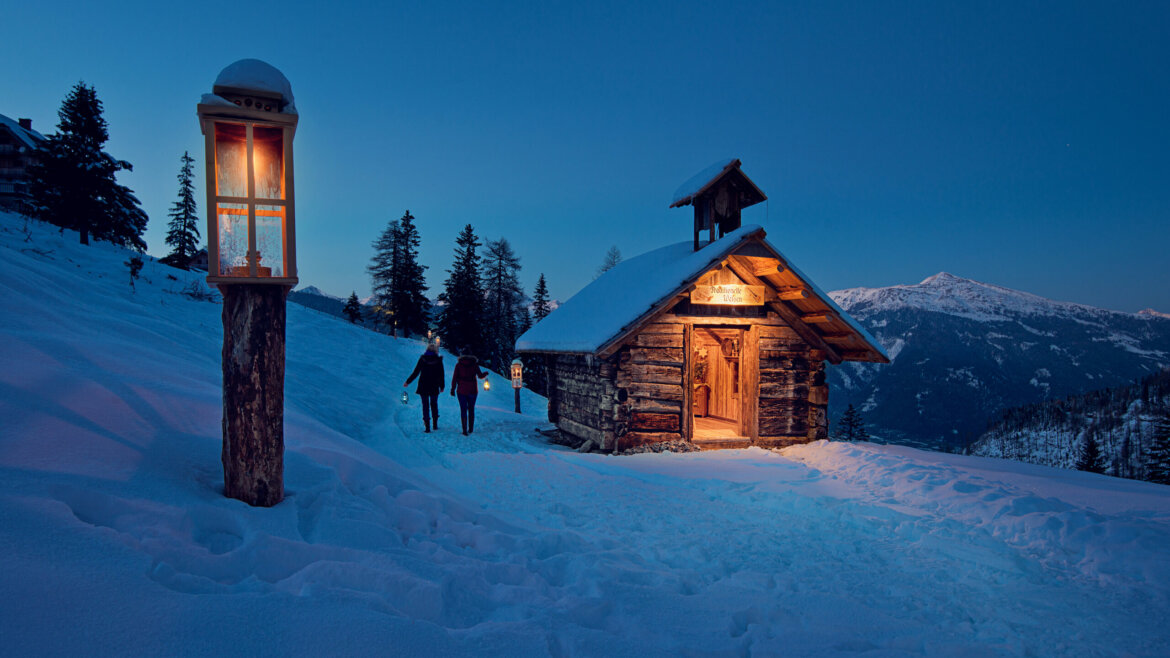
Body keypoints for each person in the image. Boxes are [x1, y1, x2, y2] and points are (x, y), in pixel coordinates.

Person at [404, 344, 444, 433]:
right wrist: (442, 386)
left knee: (425, 405)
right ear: (436, 351)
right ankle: (435, 424)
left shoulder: (422, 359)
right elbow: (441, 374)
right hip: (434, 385)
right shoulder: (438, 360)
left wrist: (408, 382)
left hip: (423, 385)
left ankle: (427, 427)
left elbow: (416, 372)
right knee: (434, 404)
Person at [450, 350, 489, 435]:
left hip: (461, 390)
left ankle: (464, 430)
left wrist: (453, 389)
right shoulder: (474, 364)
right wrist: (485, 374)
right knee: (471, 409)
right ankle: (471, 429)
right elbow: (480, 376)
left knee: (463, 409)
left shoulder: (459, 365)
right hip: (472, 390)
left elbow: (455, 378)